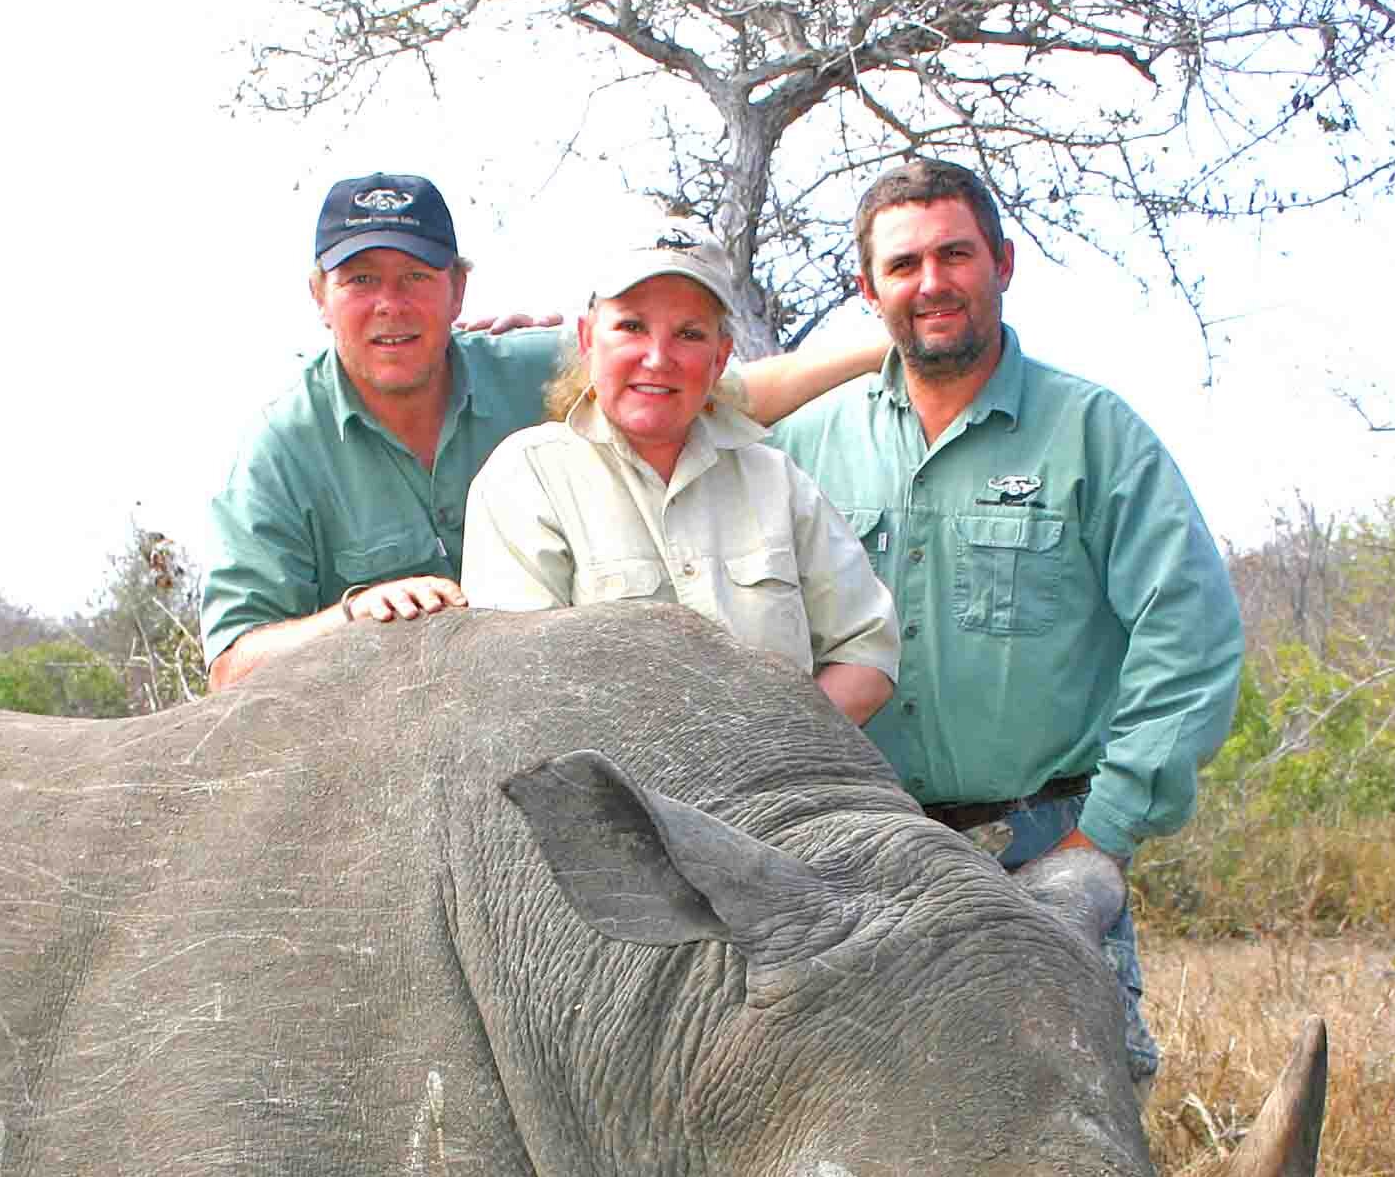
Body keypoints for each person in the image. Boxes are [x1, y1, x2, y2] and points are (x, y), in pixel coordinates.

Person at [770, 158, 1243, 1087]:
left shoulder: (1092, 432)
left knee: (1078, 1117)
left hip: (1044, 845)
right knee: (871, 1116)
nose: (931, 283)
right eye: (903, 266)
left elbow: (1189, 638)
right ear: (870, 291)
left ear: (1003, 264)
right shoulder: (802, 443)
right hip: (853, 856)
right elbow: (649, 410)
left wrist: (1100, 836)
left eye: (956, 254)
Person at [202, 173, 879, 688]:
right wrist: (352, 618)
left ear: (458, 291)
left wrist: (894, 347)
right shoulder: (278, 450)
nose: (390, 304)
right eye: (360, 279)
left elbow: (714, 392)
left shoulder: (532, 366)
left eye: (415, 276)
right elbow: (232, 665)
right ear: (319, 294)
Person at [460, 216, 898, 723]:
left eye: (689, 334)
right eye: (631, 326)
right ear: (586, 338)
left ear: (720, 358)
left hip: (786, 791)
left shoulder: (777, 481)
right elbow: (523, 690)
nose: (657, 357)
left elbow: (866, 651)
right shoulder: (526, 477)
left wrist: (778, 754)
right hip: (612, 799)